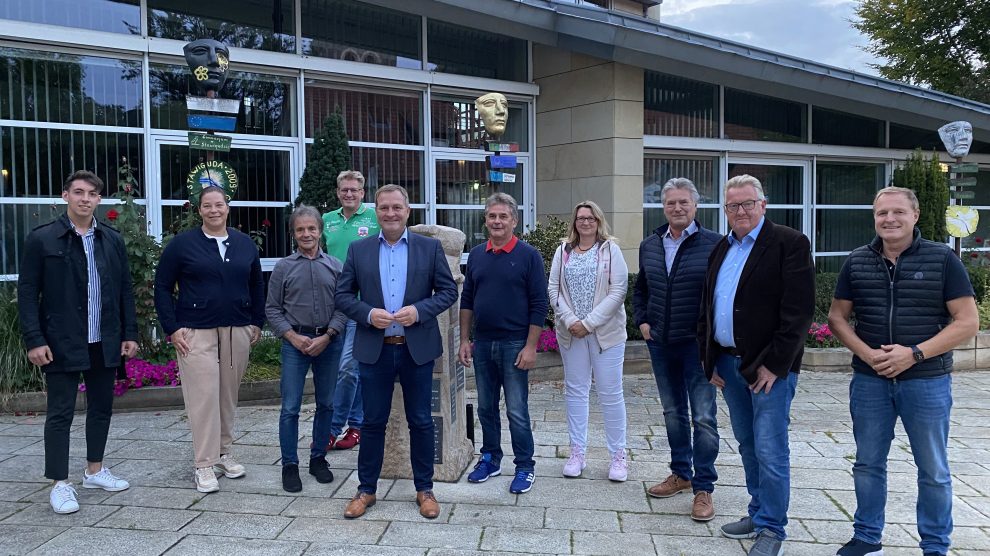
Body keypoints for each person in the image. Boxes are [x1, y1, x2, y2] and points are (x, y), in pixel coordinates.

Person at [828, 186, 978, 556]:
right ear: (874, 218)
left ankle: (934, 545)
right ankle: (866, 537)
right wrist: (869, 355)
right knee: (867, 463)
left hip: (926, 382)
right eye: (882, 213)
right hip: (869, 382)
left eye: (897, 212)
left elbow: (967, 322)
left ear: (915, 216)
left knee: (933, 470)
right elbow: (837, 317)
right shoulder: (858, 260)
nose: (889, 219)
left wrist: (914, 354)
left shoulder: (942, 259)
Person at [698, 174, 814, 556]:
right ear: (725, 210)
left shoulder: (789, 243)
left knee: (770, 448)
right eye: (733, 206)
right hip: (729, 367)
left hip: (768, 372)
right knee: (748, 444)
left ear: (763, 205)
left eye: (748, 203)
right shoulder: (722, 247)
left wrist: (775, 366)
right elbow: (709, 308)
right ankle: (758, 510)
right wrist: (709, 358)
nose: (741, 211)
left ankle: (772, 528)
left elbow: (797, 313)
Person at [335, 184, 458, 520]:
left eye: (396, 208)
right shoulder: (359, 250)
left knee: (421, 421)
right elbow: (343, 296)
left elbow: (447, 292)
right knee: (372, 422)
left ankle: (425, 489)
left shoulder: (428, 248)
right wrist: (366, 313)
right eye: (384, 207)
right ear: (376, 211)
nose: (390, 213)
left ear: (407, 211)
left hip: (415, 348)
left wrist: (419, 310)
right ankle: (366, 490)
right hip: (374, 349)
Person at [18, 170, 138, 514]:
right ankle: (59, 483)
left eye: (93, 194)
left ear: (100, 200)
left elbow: (123, 290)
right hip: (60, 341)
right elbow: (27, 294)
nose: (86, 199)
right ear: (65, 195)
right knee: (60, 413)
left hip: (104, 340)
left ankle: (94, 471)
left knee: (101, 408)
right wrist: (34, 340)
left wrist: (129, 333)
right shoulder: (43, 239)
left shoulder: (112, 240)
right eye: (79, 192)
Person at [154, 185, 264, 493]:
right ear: (199, 210)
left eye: (219, 205)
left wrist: (257, 321)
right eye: (207, 206)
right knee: (203, 397)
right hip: (195, 331)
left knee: (228, 395)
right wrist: (172, 327)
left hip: (237, 329)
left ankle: (224, 453)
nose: (214, 210)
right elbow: (162, 286)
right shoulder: (182, 245)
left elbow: (257, 284)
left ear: (228, 207)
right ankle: (204, 463)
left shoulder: (243, 244)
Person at [633, 178, 721, 521]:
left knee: (704, 416)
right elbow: (641, 289)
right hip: (661, 343)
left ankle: (704, 488)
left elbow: (723, 296)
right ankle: (681, 473)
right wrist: (642, 321)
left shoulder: (715, 245)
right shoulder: (651, 244)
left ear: (695, 206)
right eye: (671, 203)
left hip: (698, 347)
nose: (677, 208)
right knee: (673, 412)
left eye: (684, 202)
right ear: (663, 207)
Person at [459, 193, 547, 494]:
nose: (497, 221)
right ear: (486, 220)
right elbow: (467, 299)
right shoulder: (477, 255)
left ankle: (525, 466)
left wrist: (531, 346)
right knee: (485, 408)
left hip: (514, 344)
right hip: (483, 343)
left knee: (516, 410)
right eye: (492, 216)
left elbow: (539, 303)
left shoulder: (529, 256)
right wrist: (464, 340)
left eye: (503, 216)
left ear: (514, 220)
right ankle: (490, 458)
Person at [266, 205, 347, 492]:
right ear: (293, 233)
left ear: (320, 231)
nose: (306, 234)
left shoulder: (336, 266)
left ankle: (318, 459)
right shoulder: (283, 268)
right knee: (290, 407)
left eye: (311, 228)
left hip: (329, 342)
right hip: (294, 344)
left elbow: (344, 306)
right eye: (300, 229)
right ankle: (289, 464)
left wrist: (328, 335)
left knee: (327, 404)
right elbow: (273, 309)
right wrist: (291, 336)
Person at [548, 201, 630, 481]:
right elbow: (553, 288)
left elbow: (618, 291)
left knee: (610, 393)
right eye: (581, 218)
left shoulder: (611, 250)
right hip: (572, 334)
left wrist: (589, 323)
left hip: (605, 334)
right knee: (576, 391)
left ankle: (618, 456)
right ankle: (577, 453)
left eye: (590, 218)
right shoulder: (563, 250)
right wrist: (571, 320)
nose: (585, 222)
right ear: (574, 222)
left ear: (598, 221)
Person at [323, 170, 380, 452]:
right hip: (333, 305)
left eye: (354, 190)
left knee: (349, 368)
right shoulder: (327, 220)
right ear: (337, 192)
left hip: (362, 305)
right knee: (346, 370)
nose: (349, 194)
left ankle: (332, 429)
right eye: (344, 190)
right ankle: (357, 426)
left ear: (362, 193)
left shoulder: (374, 219)